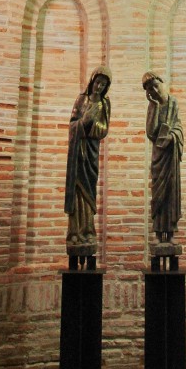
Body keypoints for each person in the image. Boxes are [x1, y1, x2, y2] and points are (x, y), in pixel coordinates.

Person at [64, 65, 112, 247]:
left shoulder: (104, 104)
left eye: (103, 85)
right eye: (98, 82)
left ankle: (87, 231)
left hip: (91, 153)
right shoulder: (81, 100)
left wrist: (92, 127)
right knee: (76, 192)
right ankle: (74, 232)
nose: (99, 87)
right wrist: (83, 123)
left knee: (89, 193)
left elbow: (104, 129)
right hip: (77, 152)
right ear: (92, 80)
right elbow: (72, 124)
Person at [143, 71, 184, 241]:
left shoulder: (174, 103)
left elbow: (179, 127)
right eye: (149, 89)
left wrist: (172, 137)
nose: (154, 90)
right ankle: (159, 234)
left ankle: (171, 232)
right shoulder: (153, 106)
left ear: (162, 83)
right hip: (158, 156)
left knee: (171, 193)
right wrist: (156, 106)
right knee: (158, 193)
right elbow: (151, 133)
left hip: (171, 155)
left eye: (155, 85)